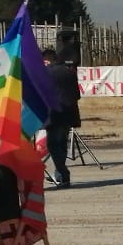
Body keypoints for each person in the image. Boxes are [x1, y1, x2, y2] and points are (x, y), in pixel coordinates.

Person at [41, 46, 80, 188]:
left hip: (53, 114)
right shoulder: (69, 72)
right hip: (68, 114)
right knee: (62, 144)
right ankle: (60, 174)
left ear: (46, 60)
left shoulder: (44, 73)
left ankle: (63, 174)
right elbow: (77, 95)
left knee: (53, 145)